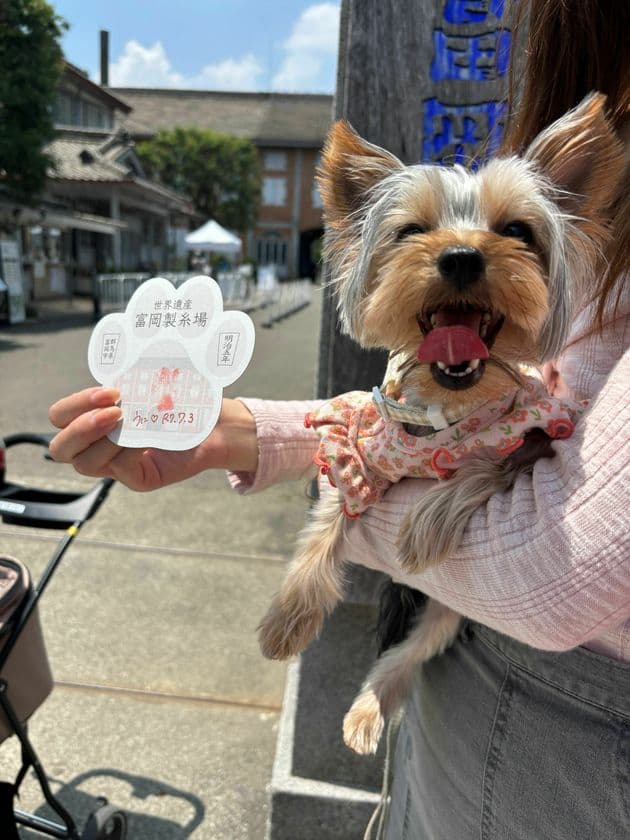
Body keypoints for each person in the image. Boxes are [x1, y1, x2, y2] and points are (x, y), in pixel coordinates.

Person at [49, 1, 629, 837]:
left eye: (513, 233)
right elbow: (375, 425)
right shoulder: (412, 379)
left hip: (566, 752)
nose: (464, 253)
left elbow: (557, 570)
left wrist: (364, 509)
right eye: (414, 233)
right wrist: (234, 430)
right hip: (464, 718)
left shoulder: (532, 399)